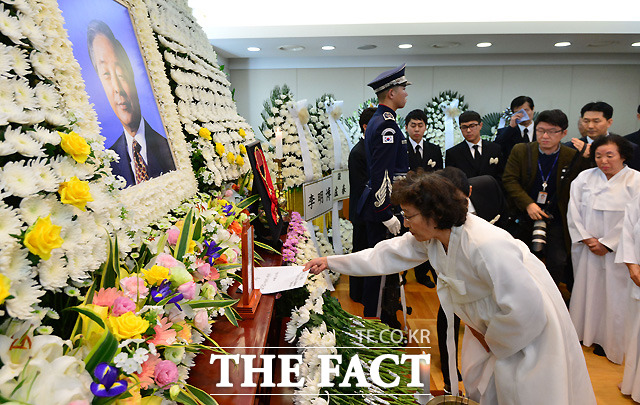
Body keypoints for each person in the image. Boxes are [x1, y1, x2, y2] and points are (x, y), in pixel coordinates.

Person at [304, 171, 596, 405]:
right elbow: (387, 254)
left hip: (523, 332)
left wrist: (493, 340)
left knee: (526, 391)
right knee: (482, 385)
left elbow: (526, 309)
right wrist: (331, 261)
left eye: (408, 215)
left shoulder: (486, 245)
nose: (405, 224)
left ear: (434, 214)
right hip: (485, 327)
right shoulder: (432, 235)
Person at [433, 167, 508, 393]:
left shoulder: (489, 190)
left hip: (488, 272)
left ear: (470, 192)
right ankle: (448, 371)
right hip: (452, 269)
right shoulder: (437, 215)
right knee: (448, 311)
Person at [567, 135, 640, 364]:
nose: (603, 161)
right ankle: (584, 334)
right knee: (588, 292)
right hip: (588, 249)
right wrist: (588, 239)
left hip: (619, 251)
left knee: (615, 297)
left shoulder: (635, 180)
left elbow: (633, 220)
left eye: (610, 155)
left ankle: (610, 341)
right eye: (598, 155)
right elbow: (573, 211)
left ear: (623, 156)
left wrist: (608, 243)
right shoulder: (584, 178)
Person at [502, 109, 587, 291]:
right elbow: (509, 179)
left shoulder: (571, 156)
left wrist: (587, 157)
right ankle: (518, 293)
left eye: (552, 131)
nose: (545, 136)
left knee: (557, 260)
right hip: (524, 215)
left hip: (555, 217)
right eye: (540, 130)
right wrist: (528, 204)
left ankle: (549, 296)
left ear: (564, 133)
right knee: (518, 257)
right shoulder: (522, 150)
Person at [87, 20, 175, 187]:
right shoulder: (105, 167)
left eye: (120, 74)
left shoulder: (170, 150)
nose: (117, 89)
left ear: (133, 75)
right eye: (106, 74)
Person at [356, 64, 410, 327]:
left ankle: (385, 318)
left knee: (383, 270)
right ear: (390, 93)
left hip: (382, 205)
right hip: (382, 208)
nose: (405, 94)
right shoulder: (386, 125)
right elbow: (382, 173)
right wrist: (385, 213)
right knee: (379, 270)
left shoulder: (382, 120)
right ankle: (376, 325)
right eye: (403, 89)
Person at [405, 108, 442, 288]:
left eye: (420, 125)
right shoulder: (400, 149)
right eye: (413, 125)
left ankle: (422, 274)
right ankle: (402, 273)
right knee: (406, 237)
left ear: (426, 127)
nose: (417, 129)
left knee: (427, 237)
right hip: (407, 200)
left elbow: (439, 175)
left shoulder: (434, 150)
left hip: (428, 202)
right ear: (406, 127)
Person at [347, 107, 377, 303]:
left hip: (374, 214)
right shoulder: (359, 152)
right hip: (363, 213)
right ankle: (357, 294)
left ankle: (370, 294)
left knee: (372, 254)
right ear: (366, 127)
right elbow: (362, 187)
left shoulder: (375, 149)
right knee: (360, 252)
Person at [615, 194, 640, 402]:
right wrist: (632, 266)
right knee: (636, 334)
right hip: (638, 274)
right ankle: (634, 383)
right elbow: (628, 231)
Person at [568, 101, 640, 171]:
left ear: (609, 122)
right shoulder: (571, 147)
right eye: (586, 121)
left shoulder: (627, 147)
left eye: (596, 121)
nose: (590, 126)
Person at [445, 110, 504, 182]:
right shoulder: (453, 153)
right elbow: (451, 180)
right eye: (464, 127)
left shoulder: (494, 149)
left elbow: (501, 175)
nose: (468, 130)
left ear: (480, 125)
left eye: (472, 126)